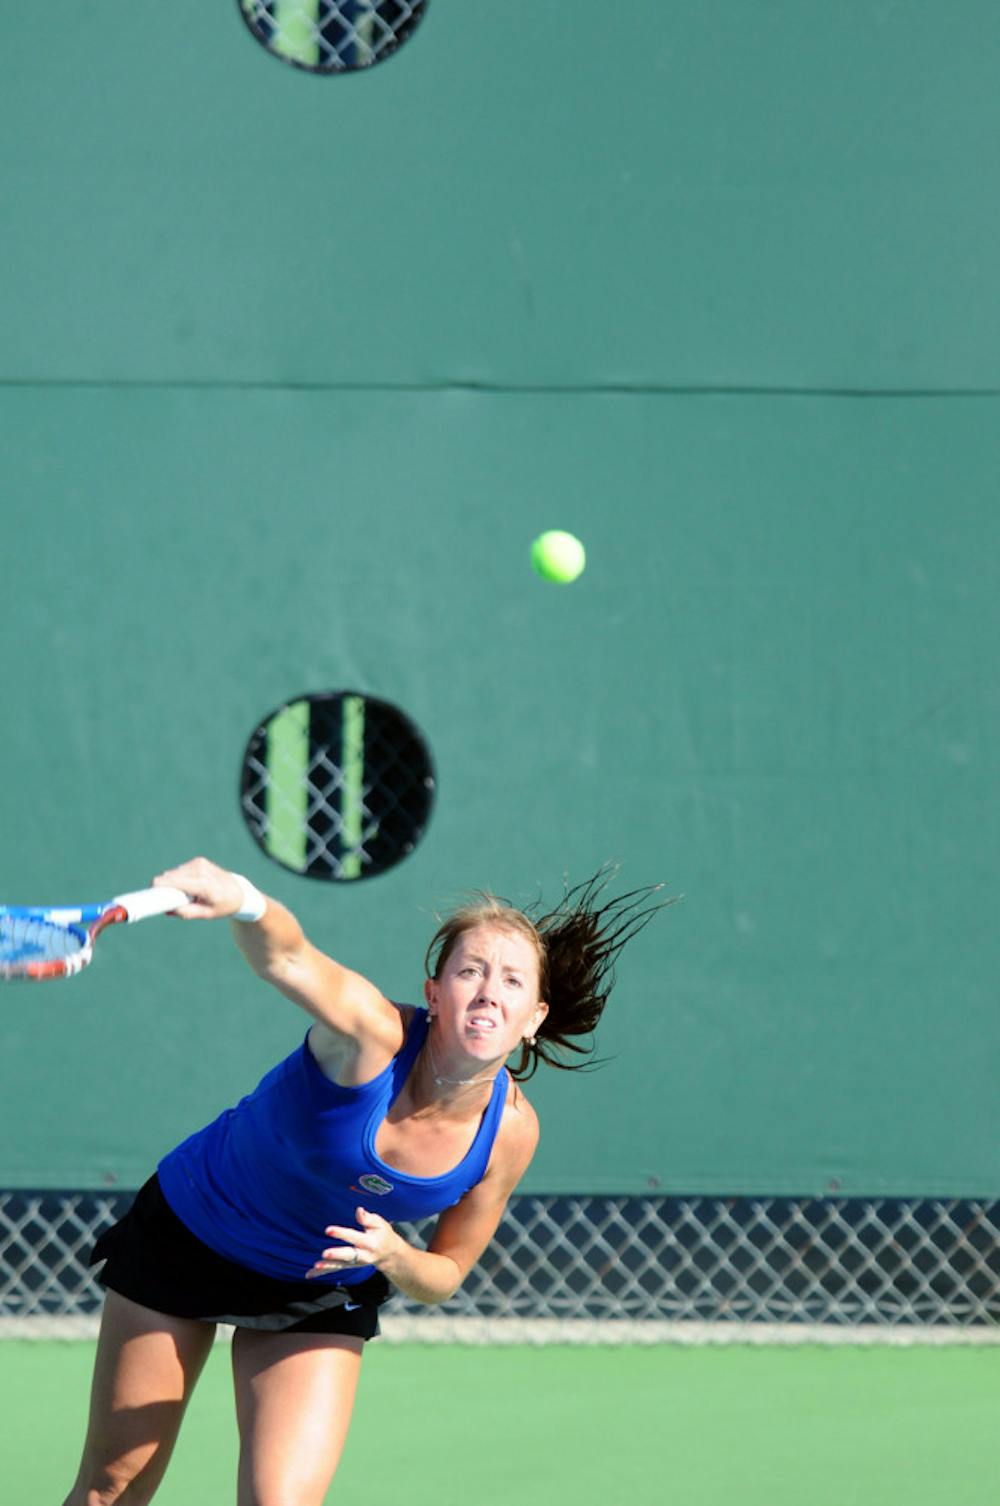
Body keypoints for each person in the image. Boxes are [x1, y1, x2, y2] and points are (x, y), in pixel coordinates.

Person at [63, 855, 667, 1506]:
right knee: (111, 1491)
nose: (490, 990)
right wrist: (241, 897)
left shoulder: (511, 1133)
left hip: (321, 1283)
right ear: (435, 995)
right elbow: (290, 960)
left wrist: (395, 1256)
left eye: (513, 981)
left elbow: (446, 1273)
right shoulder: (372, 1036)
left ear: (534, 1017)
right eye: (471, 971)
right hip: (194, 1232)